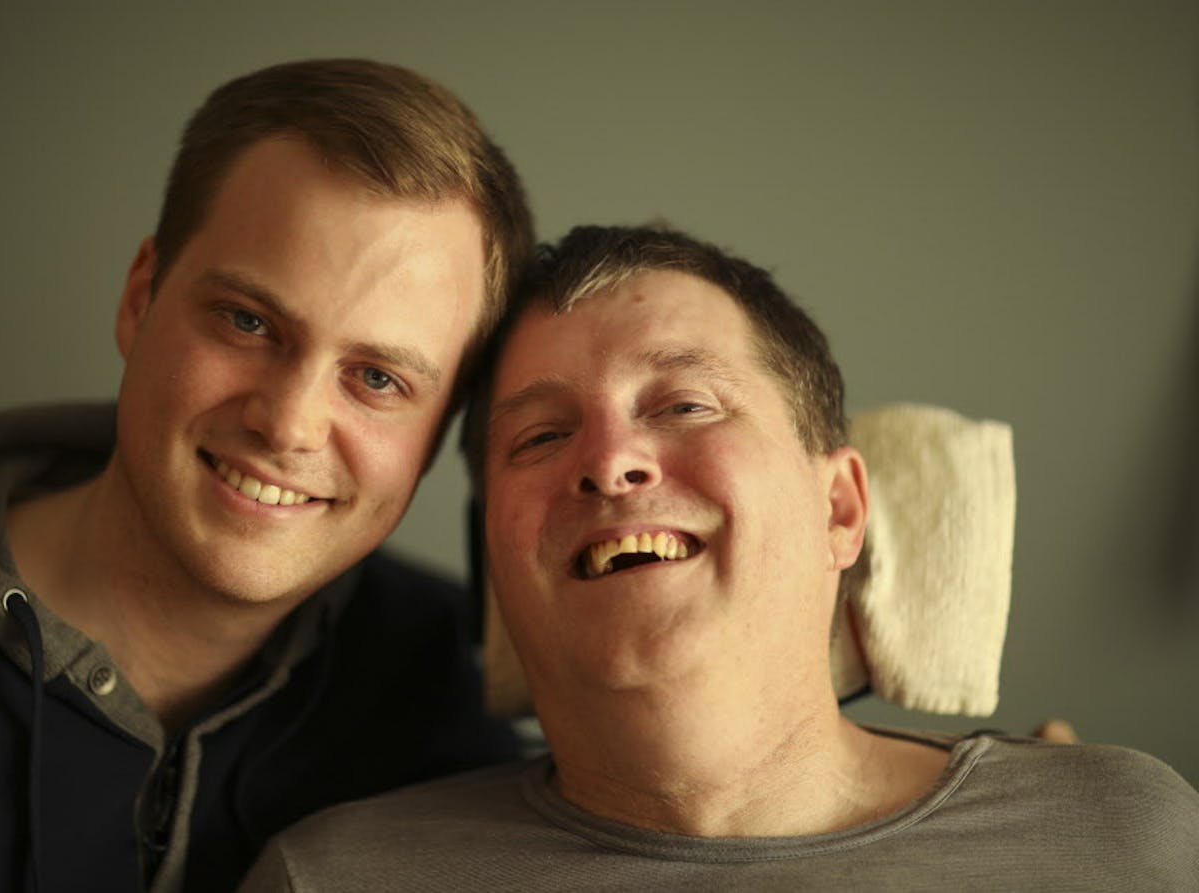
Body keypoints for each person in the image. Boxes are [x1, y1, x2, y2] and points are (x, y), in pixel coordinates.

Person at [242, 224, 1199, 891]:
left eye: (684, 405)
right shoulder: (334, 877)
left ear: (839, 506)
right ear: (496, 549)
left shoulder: (1124, 834)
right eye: (538, 436)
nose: (609, 460)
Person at [0, 59, 534, 892]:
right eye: (248, 321)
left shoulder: (452, 698)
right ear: (141, 297)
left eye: (379, 378)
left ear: (442, 429)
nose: (287, 424)